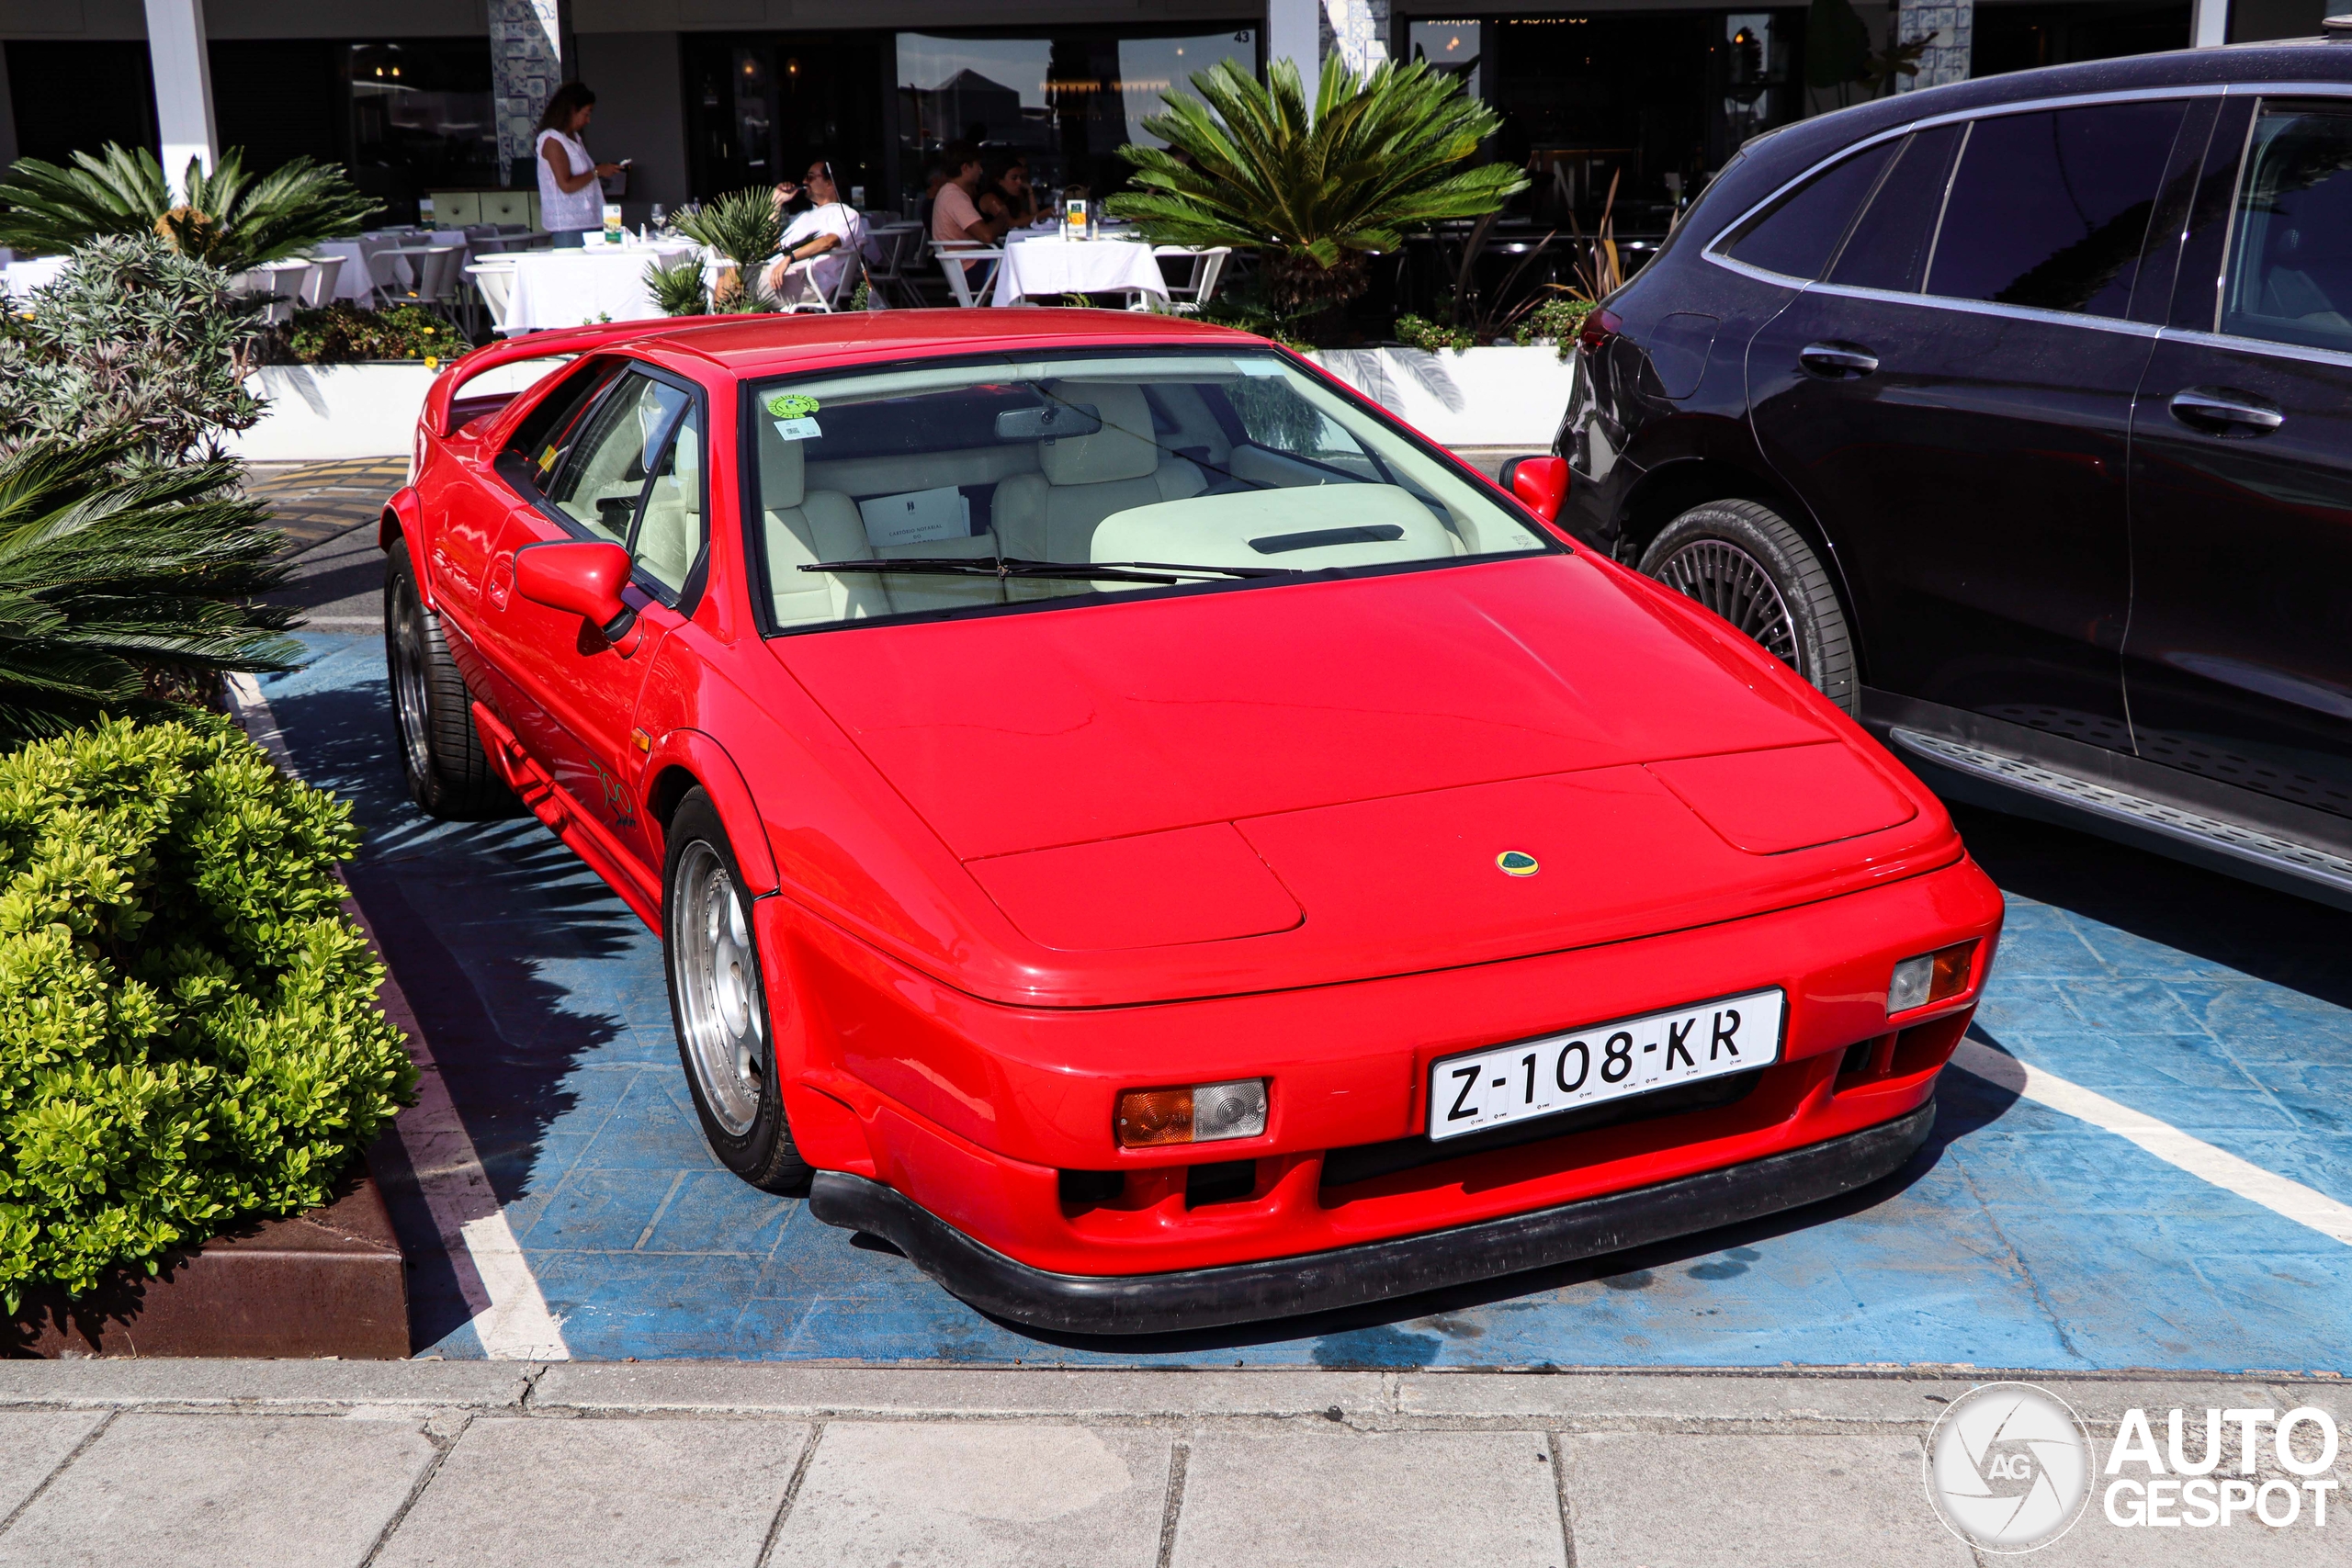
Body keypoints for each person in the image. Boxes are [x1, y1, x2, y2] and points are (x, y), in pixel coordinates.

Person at [762, 158, 878, 308]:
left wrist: (790, 258)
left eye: (810, 177)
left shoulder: (845, 214)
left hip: (806, 281)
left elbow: (828, 241)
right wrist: (776, 202)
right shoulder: (802, 217)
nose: (804, 181)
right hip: (777, 274)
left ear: (830, 183)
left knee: (736, 286)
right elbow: (769, 244)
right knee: (729, 276)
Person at [536, 83, 620, 248]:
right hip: (569, 226)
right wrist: (597, 171)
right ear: (572, 110)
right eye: (586, 113)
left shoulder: (574, 138)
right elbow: (566, 185)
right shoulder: (552, 140)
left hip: (592, 218)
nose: (588, 120)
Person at [929, 141, 1005, 297]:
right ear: (965, 167)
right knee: (1027, 271)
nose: (981, 170)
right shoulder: (954, 196)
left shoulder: (950, 193)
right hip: (971, 271)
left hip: (964, 269)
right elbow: (987, 235)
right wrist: (1002, 217)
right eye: (977, 165)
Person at [977, 150, 1038, 231]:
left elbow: (1028, 220)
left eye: (1021, 178)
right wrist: (1046, 213)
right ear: (999, 180)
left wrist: (1030, 191)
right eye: (1014, 178)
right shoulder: (989, 198)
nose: (1020, 182)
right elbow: (1011, 223)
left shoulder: (1011, 198)